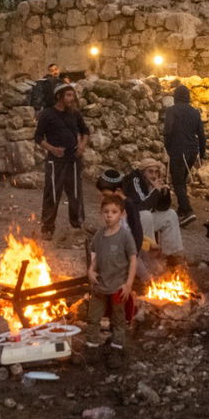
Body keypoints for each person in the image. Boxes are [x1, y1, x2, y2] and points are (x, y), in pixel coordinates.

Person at [86, 191, 139, 357]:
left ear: (122, 214)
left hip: (118, 287)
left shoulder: (125, 236)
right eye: (106, 212)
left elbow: (133, 260)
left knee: (118, 320)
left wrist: (129, 284)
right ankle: (91, 347)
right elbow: (97, 255)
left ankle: (117, 348)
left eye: (114, 212)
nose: (109, 215)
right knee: (93, 318)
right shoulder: (99, 235)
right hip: (99, 286)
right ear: (101, 213)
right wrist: (91, 270)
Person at [35, 83, 90, 239]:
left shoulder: (75, 113)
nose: (72, 98)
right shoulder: (47, 114)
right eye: (68, 95)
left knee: (75, 193)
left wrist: (82, 146)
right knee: (52, 193)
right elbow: (38, 137)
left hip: (73, 159)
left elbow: (85, 131)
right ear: (59, 96)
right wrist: (52, 149)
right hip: (55, 161)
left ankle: (78, 225)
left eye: (73, 95)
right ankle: (47, 228)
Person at [125, 157, 186, 264]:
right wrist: (155, 191)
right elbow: (142, 206)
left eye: (156, 172)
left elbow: (162, 208)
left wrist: (164, 193)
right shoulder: (135, 180)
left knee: (171, 214)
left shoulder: (152, 183)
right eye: (150, 172)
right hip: (130, 221)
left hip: (143, 219)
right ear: (143, 172)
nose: (154, 175)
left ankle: (171, 255)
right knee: (146, 215)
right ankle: (149, 257)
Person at [163, 83, 206, 226]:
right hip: (192, 152)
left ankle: (188, 211)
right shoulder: (195, 112)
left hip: (178, 151)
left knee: (178, 183)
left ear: (175, 97)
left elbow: (168, 131)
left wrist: (168, 147)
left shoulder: (172, 110)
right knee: (181, 180)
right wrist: (202, 154)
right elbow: (201, 135)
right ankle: (182, 209)